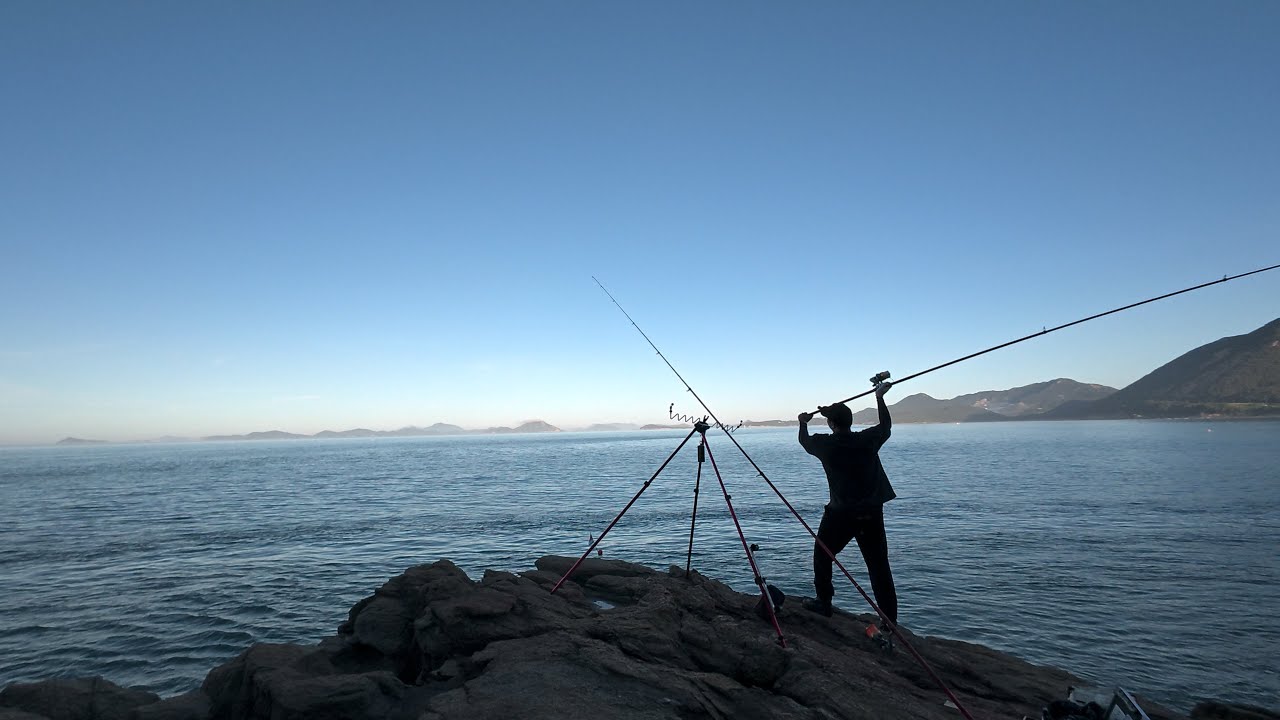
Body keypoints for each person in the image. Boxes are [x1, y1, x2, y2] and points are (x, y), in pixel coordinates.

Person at [797, 381, 898, 627]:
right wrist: (879, 397)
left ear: (831, 424)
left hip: (841, 514)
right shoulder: (868, 439)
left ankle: (824, 602)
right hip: (872, 513)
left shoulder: (826, 445)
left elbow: (804, 441)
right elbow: (886, 426)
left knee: (823, 554)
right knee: (879, 567)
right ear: (850, 421)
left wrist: (802, 422)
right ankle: (889, 620)